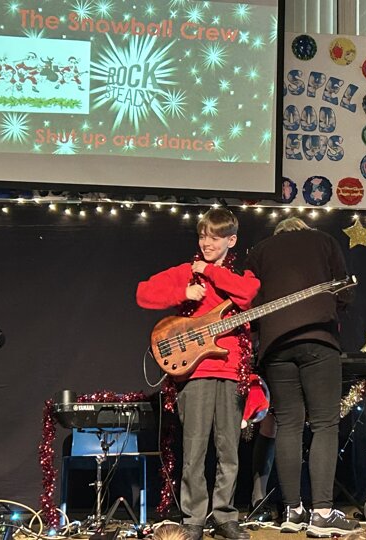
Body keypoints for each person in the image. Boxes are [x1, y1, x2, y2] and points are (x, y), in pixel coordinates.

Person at [136, 208, 260, 540]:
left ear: (231, 240)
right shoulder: (186, 273)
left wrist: (210, 271)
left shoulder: (241, 276)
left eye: (215, 237)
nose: (206, 243)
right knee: (194, 449)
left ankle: (225, 516)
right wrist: (182, 293)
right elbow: (143, 293)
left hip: (232, 371)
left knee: (228, 449)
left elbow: (248, 294)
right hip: (196, 370)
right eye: (203, 236)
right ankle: (194, 518)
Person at [245, 217, 360, 538]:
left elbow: (250, 301)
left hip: (275, 345)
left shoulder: (260, 251)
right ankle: (322, 513)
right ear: (303, 229)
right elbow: (346, 291)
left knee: (288, 425)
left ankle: (292, 511)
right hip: (317, 338)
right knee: (324, 424)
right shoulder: (323, 240)